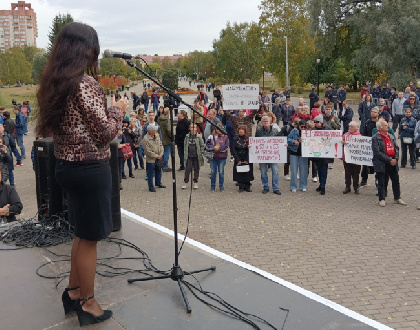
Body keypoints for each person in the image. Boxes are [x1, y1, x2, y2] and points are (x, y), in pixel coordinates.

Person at [36, 22, 127, 326]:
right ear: (85, 48)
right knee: (91, 238)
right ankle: (88, 303)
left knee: (81, 233)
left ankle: (73, 293)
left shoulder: (55, 82)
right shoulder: (84, 83)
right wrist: (118, 109)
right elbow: (104, 134)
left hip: (67, 167)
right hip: (89, 169)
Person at [372, 120, 407, 207]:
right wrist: (389, 160)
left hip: (392, 162)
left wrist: (395, 158)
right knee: (382, 182)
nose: (388, 126)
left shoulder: (391, 136)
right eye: (385, 125)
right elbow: (377, 152)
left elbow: (396, 148)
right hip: (382, 162)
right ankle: (382, 199)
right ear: (380, 128)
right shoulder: (375, 138)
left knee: (395, 180)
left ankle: (397, 197)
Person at [256, 116, 281, 195]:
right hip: (263, 155)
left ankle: (275, 188)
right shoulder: (259, 131)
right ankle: (265, 187)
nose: (265, 123)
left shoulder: (275, 130)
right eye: (264, 122)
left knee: (275, 171)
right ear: (262, 123)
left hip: (273, 155)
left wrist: (284, 144)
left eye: (267, 122)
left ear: (270, 122)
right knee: (263, 171)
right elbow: (256, 141)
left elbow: (280, 140)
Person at [312, 115, 332, 195]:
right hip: (317, 153)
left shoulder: (328, 129)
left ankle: (323, 186)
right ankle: (321, 184)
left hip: (325, 154)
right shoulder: (313, 130)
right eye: (315, 122)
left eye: (317, 122)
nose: (315, 124)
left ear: (321, 122)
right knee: (319, 170)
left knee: (324, 170)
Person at [206, 124, 229, 192]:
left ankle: (221, 186)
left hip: (222, 157)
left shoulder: (226, 137)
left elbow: (226, 146)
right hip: (213, 157)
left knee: (221, 172)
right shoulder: (211, 136)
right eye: (217, 129)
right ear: (215, 129)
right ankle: (213, 186)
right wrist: (213, 148)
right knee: (213, 172)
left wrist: (219, 148)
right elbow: (207, 145)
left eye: (220, 129)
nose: (219, 130)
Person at [143, 125, 165, 192]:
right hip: (151, 159)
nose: (156, 131)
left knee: (159, 170)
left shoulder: (157, 136)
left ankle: (158, 183)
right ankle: (151, 187)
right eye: (154, 130)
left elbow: (161, 145)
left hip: (159, 157)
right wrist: (156, 156)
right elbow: (147, 151)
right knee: (150, 173)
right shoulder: (145, 139)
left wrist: (161, 153)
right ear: (150, 131)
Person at [288, 120, 309, 192]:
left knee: (303, 170)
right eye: (301, 127)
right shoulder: (294, 131)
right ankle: (293, 186)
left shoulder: (308, 132)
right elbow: (288, 139)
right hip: (294, 152)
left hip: (304, 153)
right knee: (294, 170)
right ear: (298, 126)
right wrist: (294, 141)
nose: (303, 128)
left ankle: (303, 185)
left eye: (304, 127)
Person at [341, 121, 362, 194]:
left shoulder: (359, 136)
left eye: (351, 127)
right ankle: (347, 187)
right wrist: (343, 142)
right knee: (347, 172)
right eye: (349, 126)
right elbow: (341, 142)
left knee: (356, 173)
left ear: (356, 129)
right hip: (346, 157)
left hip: (356, 158)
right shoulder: (345, 135)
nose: (349, 128)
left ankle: (356, 187)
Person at [182, 123, 204, 189]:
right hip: (189, 155)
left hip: (196, 156)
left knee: (196, 169)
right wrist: (185, 153)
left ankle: (195, 182)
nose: (193, 129)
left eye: (194, 127)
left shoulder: (199, 136)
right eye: (191, 127)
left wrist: (201, 152)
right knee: (187, 169)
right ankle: (186, 182)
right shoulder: (187, 136)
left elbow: (202, 145)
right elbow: (185, 145)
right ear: (189, 128)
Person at [232, 125, 253, 192]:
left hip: (246, 157)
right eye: (240, 129)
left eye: (242, 129)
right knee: (240, 172)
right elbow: (233, 149)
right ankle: (241, 186)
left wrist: (247, 159)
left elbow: (251, 150)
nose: (241, 131)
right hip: (238, 157)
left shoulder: (248, 138)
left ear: (245, 131)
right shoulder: (235, 138)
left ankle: (247, 186)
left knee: (247, 172)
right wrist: (237, 159)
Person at [157, 107, 172, 172]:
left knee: (162, 153)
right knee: (166, 153)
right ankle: (165, 166)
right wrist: (172, 137)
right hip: (166, 139)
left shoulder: (159, 119)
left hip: (160, 138)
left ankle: (161, 165)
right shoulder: (167, 120)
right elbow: (169, 130)